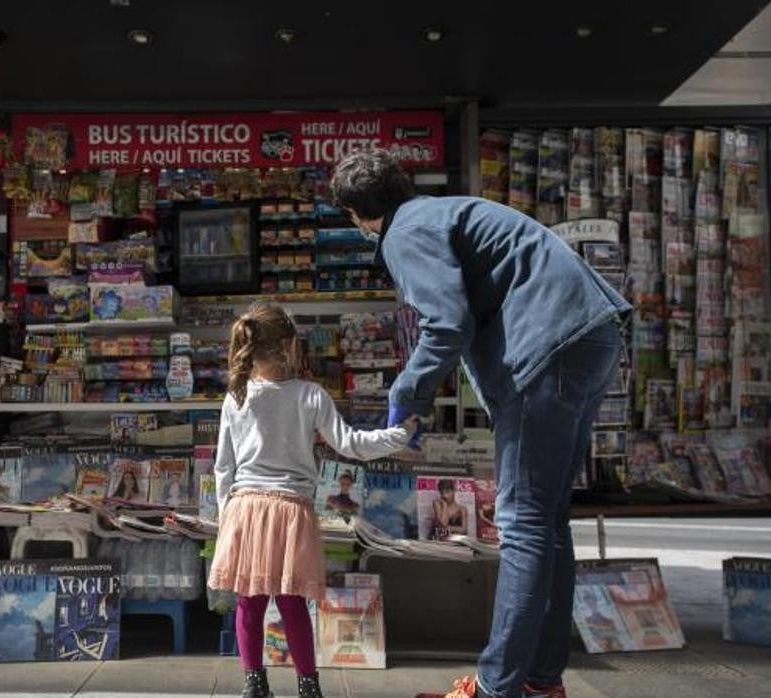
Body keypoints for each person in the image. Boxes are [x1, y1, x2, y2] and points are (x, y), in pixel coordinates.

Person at [330, 150, 630, 698]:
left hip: (548, 347)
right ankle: (540, 681)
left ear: (358, 214)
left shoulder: (400, 233)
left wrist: (406, 394)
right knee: (548, 520)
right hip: (590, 335)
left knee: (521, 522)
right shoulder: (445, 210)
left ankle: (496, 688)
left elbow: (447, 324)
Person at [207, 303, 417, 698]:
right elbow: (351, 444)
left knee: (248, 604)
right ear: (290, 346)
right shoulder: (311, 396)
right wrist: (397, 436)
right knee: (292, 603)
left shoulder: (235, 398)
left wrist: (226, 521)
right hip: (291, 513)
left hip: (245, 510)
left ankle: (254, 686)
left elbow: (224, 467)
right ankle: (309, 687)